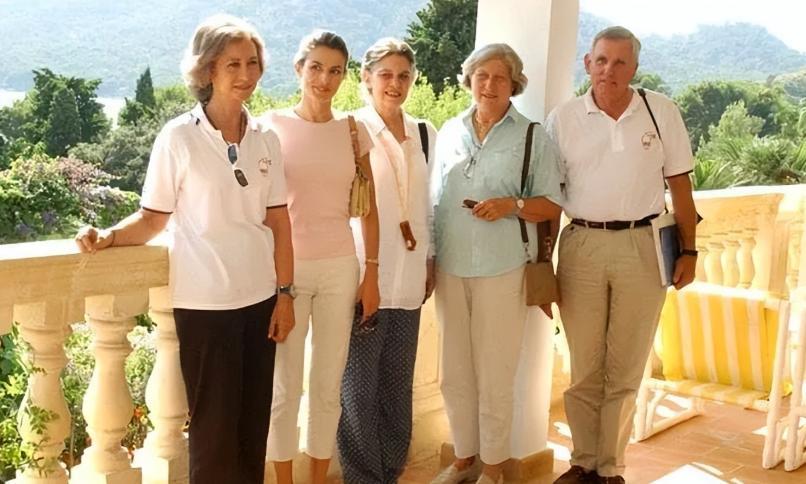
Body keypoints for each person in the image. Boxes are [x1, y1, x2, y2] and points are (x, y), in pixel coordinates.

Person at [74, 14, 294, 484]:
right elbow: (153, 217)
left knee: (252, 431)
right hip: (206, 304)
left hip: (260, 300)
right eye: (233, 63)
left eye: (252, 62)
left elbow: (278, 221)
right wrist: (109, 236)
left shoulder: (266, 138)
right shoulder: (178, 137)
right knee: (213, 436)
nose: (246, 74)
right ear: (207, 69)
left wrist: (286, 295)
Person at [546, 26, 697, 484]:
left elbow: (681, 186)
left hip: (642, 245)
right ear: (587, 63)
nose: (608, 70)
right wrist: (542, 262)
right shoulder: (563, 118)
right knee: (584, 366)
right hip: (582, 244)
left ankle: (611, 467)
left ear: (634, 68)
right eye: (601, 60)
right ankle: (582, 462)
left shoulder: (660, 111)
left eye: (619, 62)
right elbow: (550, 197)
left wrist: (690, 250)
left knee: (626, 366)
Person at [430, 43, 563, 484]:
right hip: (450, 265)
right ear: (469, 79)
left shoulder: (531, 136)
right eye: (481, 76)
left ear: (514, 84)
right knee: (453, 373)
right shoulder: (449, 130)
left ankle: (492, 468)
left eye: (499, 78)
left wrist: (512, 205)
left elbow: (552, 204)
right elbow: (432, 200)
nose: (489, 85)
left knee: (496, 373)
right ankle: (463, 458)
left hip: (503, 267)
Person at [262, 30, 380, 484]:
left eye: (334, 71)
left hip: (339, 269)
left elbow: (370, 210)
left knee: (328, 387)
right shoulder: (270, 127)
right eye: (315, 68)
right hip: (286, 272)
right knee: (285, 388)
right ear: (299, 69)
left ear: (344, 76)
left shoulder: (353, 131)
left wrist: (372, 273)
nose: (324, 80)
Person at [335, 37, 437, 484]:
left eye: (404, 76)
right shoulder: (348, 130)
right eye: (386, 75)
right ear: (366, 77)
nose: (395, 84)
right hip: (365, 275)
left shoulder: (425, 133)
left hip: (410, 278)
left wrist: (431, 258)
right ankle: (363, 477)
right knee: (358, 388)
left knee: (397, 386)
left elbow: (428, 205)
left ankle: (391, 471)